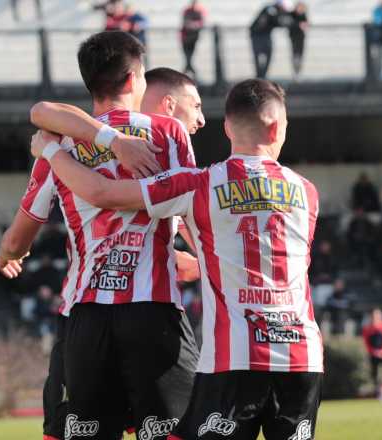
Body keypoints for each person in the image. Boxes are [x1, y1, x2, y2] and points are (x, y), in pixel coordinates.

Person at [29, 78, 324, 440]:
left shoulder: (198, 183)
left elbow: (100, 192)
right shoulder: (308, 193)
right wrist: (203, 265)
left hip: (234, 358)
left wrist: (50, 151)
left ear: (228, 127)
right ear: (278, 127)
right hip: (301, 353)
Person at [0, 32, 200, 440]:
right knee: (175, 433)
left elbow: (19, 239)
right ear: (132, 79)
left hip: (86, 315)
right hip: (152, 309)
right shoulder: (167, 133)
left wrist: (6, 254)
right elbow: (192, 212)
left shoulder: (60, 141)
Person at [250, 1, 287, 79]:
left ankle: (263, 76)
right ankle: (259, 76)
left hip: (265, 35)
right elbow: (263, 23)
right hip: (257, 36)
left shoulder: (277, 11)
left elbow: (278, 23)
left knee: (268, 54)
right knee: (259, 55)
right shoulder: (270, 9)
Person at [180, 0, 207, 80]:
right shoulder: (187, 10)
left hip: (194, 38)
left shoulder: (200, 10)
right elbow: (185, 22)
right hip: (184, 38)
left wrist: (194, 25)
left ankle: (185, 75)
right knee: (188, 58)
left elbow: (202, 23)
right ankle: (191, 76)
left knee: (189, 58)